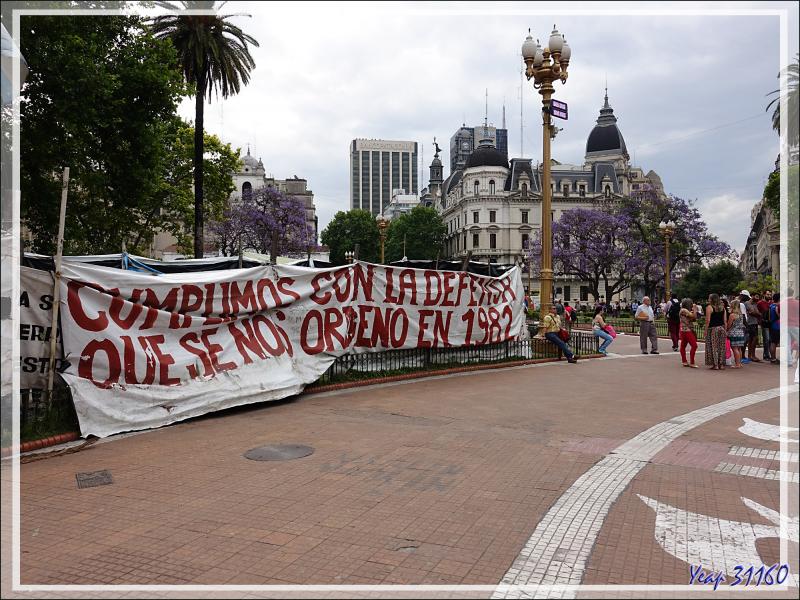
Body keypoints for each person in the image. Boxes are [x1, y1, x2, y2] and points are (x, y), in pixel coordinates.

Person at [705, 293, 728, 370]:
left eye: (709, 298)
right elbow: (725, 320)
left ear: (712, 299)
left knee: (714, 347)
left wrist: (705, 330)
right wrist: (726, 329)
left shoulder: (709, 307)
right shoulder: (723, 308)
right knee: (721, 346)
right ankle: (721, 364)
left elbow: (708, 320)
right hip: (721, 328)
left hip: (713, 329)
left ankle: (715, 365)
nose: (708, 299)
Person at [741, 290, 761, 363]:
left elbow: (758, 313)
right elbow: (752, 312)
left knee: (753, 339)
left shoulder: (755, 304)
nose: (758, 298)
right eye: (756, 296)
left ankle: (751, 355)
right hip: (749, 323)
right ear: (752, 296)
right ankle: (750, 355)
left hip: (754, 323)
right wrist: (757, 313)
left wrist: (757, 313)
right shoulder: (747, 303)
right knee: (751, 339)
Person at [679, 298, 699, 368]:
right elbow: (694, 316)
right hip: (686, 330)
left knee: (683, 345)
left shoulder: (686, 311)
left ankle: (684, 361)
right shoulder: (683, 310)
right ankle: (692, 362)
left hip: (685, 330)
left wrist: (694, 311)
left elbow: (694, 319)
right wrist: (695, 309)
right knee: (694, 345)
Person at [727, 298, 746, 368]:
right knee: (739, 349)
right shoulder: (740, 314)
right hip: (740, 332)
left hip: (734, 333)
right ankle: (740, 363)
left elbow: (729, 325)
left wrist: (726, 330)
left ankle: (737, 364)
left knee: (734, 349)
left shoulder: (732, 315)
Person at [757, 291, 773, 360]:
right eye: (767, 294)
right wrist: (760, 321)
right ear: (764, 295)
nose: (769, 296)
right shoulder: (760, 303)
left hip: (771, 323)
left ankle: (769, 354)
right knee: (766, 339)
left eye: (770, 294)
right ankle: (766, 355)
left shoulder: (772, 302)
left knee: (770, 340)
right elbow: (757, 312)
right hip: (764, 323)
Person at [769, 293, 781, 364]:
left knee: (773, 342)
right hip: (777, 326)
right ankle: (773, 358)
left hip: (772, 325)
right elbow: (779, 316)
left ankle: (773, 357)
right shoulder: (776, 307)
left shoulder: (771, 306)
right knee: (774, 342)